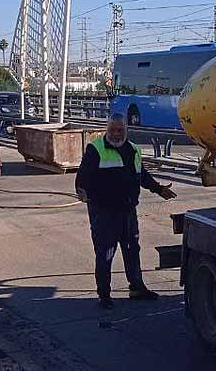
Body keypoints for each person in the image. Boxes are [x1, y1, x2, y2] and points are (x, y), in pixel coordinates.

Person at [75, 114, 177, 309]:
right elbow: (82, 178)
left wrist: (159, 189)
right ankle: (104, 294)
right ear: (107, 129)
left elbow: (142, 176)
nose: (116, 134)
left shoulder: (133, 150)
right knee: (105, 253)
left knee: (132, 250)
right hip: (104, 213)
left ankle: (137, 288)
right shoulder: (95, 149)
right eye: (112, 130)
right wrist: (82, 191)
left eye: (120, 130)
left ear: (126, 130)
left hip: (128, 211)